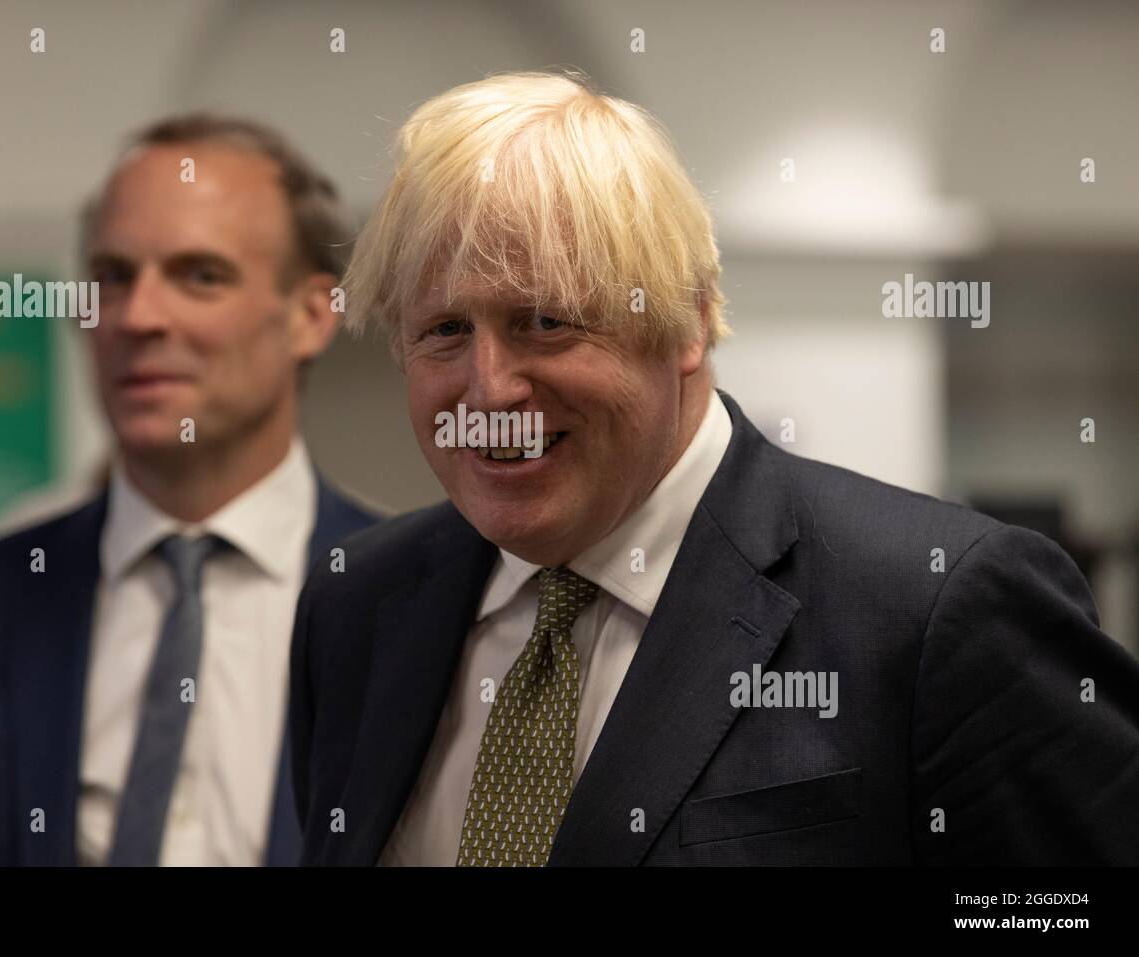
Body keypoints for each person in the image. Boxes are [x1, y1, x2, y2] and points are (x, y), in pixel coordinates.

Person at [289, 72, 1139, 866]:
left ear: (689, 326)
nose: (491, 386)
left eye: (546, 319)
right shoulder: (358, 606)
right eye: (444, 331)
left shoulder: (936, 607)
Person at [0, 114, 376, 866]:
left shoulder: (412, 611)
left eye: (201, 274)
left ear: (310, 316)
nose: (139, 316)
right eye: (113, 276)